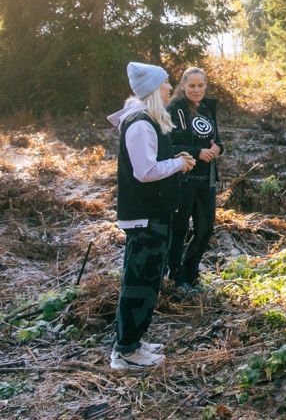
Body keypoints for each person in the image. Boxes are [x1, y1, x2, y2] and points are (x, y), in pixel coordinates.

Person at [107, 62, 194, 369]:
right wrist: (177, 165)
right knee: (139, 283)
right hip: (144, 218)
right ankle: (127, 351)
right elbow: (144, 172)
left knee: (146, 280)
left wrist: (173, 159)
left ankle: (133, 341)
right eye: (166, 83)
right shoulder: (141, 123)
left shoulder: (147, 121)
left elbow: (152, 161)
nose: (171, 88)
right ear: (154, 90)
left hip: (151, 216)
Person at [166, 67, 223, 290]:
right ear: (183, 86)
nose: (197, 89)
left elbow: (216, 141)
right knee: (179, 230)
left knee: (205, 228)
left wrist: (218, 149)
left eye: (200, 85)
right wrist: (196, 152)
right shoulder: (173, 109)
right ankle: (175, 276)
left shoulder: (208, 108)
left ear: (206, 85)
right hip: (184, 179)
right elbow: (167, 146)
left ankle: (191, 271)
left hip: (206, 179)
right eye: (192, 85)